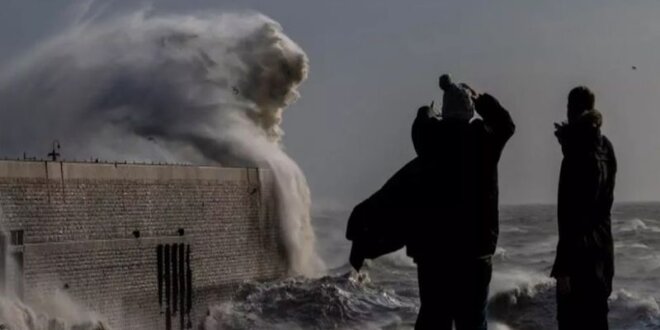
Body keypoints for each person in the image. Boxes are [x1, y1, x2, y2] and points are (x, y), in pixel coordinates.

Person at [408, 74, 515, 330]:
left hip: (434, 255)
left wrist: (428, 110)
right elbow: (506, 124)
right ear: (470, 109)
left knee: (434, 321)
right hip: (475, 253)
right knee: (473, 323)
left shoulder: (429, 139)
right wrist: (481, 99)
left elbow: (421, 122)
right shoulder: (484, 140)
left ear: (444, 111)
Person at [551, 86, 616, 330]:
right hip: (601, 255)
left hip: (578, 260)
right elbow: (604, 204)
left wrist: (563, 268)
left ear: (571, 110)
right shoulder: (605, 147)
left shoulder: (577, 153)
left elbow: (570, 215)